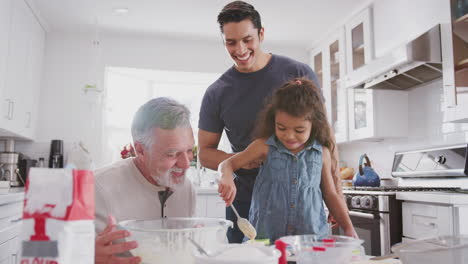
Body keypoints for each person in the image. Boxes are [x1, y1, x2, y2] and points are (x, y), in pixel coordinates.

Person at [198, 0, 344, 243]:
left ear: (261, 34)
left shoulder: (299, 73)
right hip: (246, 203)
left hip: (303, 204)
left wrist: (337, 193)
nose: (240, 49)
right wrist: (242, 161)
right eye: (231, 42)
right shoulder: (217, 92)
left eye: (247, 39)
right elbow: (204, 153)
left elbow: (325, 137)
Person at [218, 78, 357, 241]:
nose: (289, 136)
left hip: (310, 240)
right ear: (273, 121)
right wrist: (226, 176)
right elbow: (227, 164)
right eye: (281, 128)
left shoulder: (322, 153)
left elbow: (330, 194)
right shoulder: (264, 146)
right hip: (267, 239)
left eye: (299, 130)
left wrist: (348, 227)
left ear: (314, 124)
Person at [94, 97, 196, 264]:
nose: (185, 164)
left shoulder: (186, 188)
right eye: (171, 154)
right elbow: (48, 249)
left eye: (190, 151)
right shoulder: (98, 187)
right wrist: (86, 256)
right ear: (140, 150)